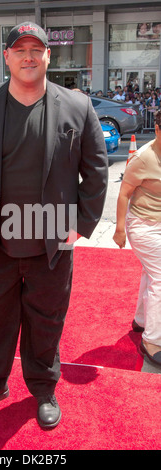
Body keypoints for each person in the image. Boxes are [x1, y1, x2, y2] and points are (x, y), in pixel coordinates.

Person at [0, 22, 108, 428]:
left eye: (37, 49)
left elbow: (97, 170)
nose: (29, 56)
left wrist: (81, 224)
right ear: (7, 57)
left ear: (48, 56)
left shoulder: (77, 105)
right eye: (20, 50)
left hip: (52, 247)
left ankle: (43, 389)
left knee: (46, 323)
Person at [113, 110, 161, 366]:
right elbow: (123, 194)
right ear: (156, 129)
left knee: (151, 272)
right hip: (143, 226)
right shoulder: (143, 158)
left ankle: (142, 322)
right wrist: (120, 229)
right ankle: (152, 340)